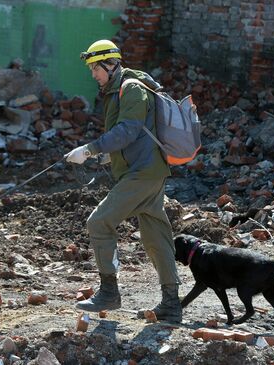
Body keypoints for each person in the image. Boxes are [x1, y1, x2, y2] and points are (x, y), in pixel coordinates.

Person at [65, 39, 181, 322]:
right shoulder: (121, 89)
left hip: (142, 174)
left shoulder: (130, 89)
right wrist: (107, 158)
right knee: (156, 236)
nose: (93, 75)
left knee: (98, 222)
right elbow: (136, 133)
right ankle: (171, 304)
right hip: (149, 171)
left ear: (110, 64)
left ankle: (109, 292)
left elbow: (128, 130)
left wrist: (90, 149)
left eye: (95, 68)